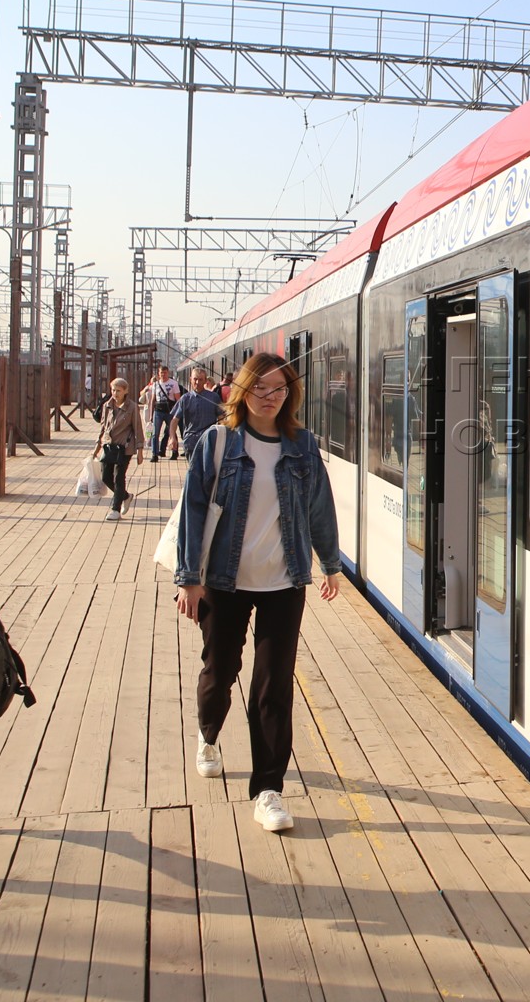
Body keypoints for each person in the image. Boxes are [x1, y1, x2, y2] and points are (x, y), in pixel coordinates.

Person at [173, 351, 342, 834]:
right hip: (224, 583)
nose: (270, 398)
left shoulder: (303, 446)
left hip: (284, 583)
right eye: (261, 388)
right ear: (242, 391)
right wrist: (189, 577)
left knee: (274, 684)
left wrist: (330, 565)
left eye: (280, 389)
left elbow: (319, 508)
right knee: (220, 669)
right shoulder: (218, 443)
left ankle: (268, 790)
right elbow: (194, 511)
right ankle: (208, 735)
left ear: (291, 394)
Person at [93, 377, 144, 521]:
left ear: (125, 391)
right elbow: (103, 427)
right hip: (109, 447)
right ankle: (126, 496)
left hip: (124, 448)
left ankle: (115, 509)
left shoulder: (132, 407)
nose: (115, 394)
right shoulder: (107, 406)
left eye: (118, 391)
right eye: (113, 390)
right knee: (105, 477)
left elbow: (138, 429)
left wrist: (140, 451)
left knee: (119, 477)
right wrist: (97, 448)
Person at [173, 366, 224, 459]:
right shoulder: (185, 398)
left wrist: (221, 436)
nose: (197, 382)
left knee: (207, 471)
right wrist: (172, 438)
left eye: (200, 380)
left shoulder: (214, 397)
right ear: (190, 380)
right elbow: (175, 420)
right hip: (191, 442)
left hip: (209, 441)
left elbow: (221, 418)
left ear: (205, 381)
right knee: (194, 471)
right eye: (195, 379)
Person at [147, 365, 183, 461]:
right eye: (161, 373)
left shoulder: (174, 384)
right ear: (158, 374)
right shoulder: (155, 385)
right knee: (155, 433)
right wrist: (151, 415)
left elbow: (178, 399)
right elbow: (153, 400)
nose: (163, 374)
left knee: (172, 432)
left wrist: (178, 413)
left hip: (169, 411)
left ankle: (174, 451)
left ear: (168, 373)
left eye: (165, 372)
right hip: (158, 411)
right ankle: (154, 454)